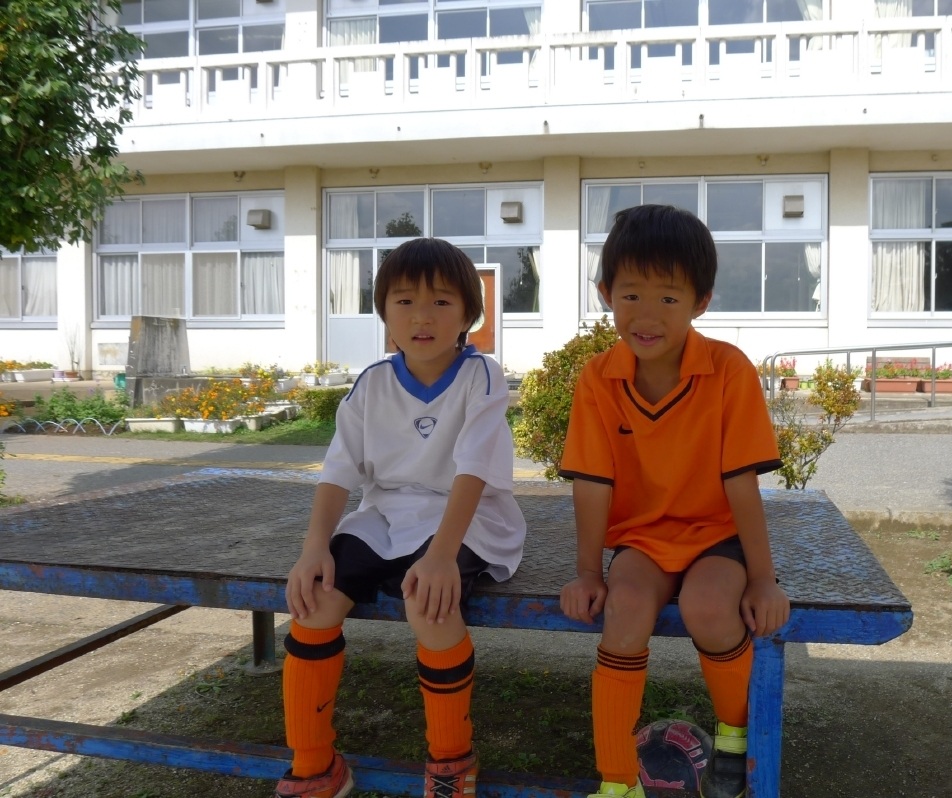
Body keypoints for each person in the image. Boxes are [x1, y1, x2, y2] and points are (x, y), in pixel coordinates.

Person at [275, 238, 526, 798]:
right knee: (314, 600)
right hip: (386, 513)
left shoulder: (481, 375)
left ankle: (451, 761)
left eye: (441, 302)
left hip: (467, 518)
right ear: (384, 312)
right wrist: (314, 548)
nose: (421, 316)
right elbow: (339, 470)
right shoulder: (372, 382)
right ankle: (314, 762)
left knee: (428, 603)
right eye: (405, 301)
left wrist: (441, 556)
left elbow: (473, 468)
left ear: (469, 314)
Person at [558, 204, 791, 798]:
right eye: (631, 295)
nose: (647, 315)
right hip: (643, 538)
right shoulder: (598, 378)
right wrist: (587, 572)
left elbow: (741, 482)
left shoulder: (727, 370)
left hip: (717, 534)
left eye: (668, 297)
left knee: (709, 608)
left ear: (700, 301)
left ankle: (734, 733)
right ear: (606, 294)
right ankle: (617, 780)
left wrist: (762, 580)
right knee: (625, 607)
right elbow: (592, 481)